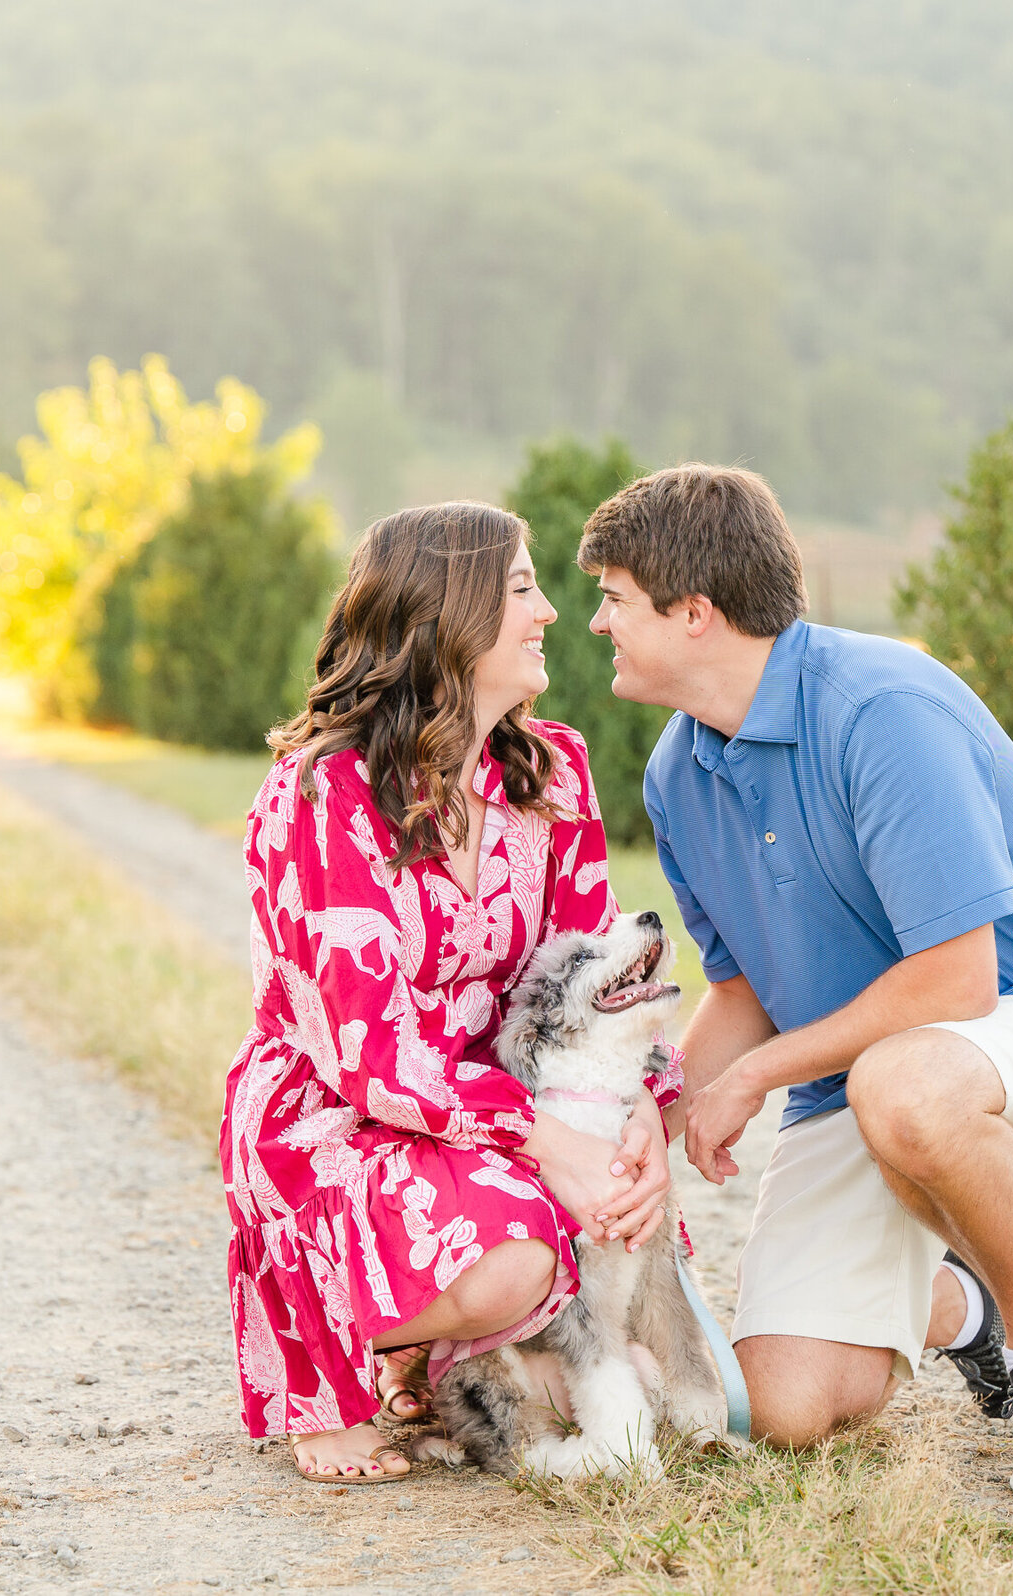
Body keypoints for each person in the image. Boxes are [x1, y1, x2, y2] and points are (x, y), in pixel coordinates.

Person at [578, 465, 1013, 1503]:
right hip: (861, 1072)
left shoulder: (881, 707)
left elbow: (957, 978)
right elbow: (743, 992)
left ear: (695, 613)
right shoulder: (677, 773)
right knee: (784, 1407)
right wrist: (651, 1115)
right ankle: (959, 1310)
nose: (597, 622)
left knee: (904, 1093)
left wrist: (755, 1076)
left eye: (615, 598)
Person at [222, 501, 680, 1483]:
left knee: (627, 1303)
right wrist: (554, 1143)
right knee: (520, 1255)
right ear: (451, 615)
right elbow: (368, 1058)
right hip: (340, 1112)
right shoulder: (327, 793)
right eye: (522, 588)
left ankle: (450, 1365)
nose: (553, 611)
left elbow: (590, 978)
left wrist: (640, 1109)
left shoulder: (552, 769)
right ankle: (336, 1350)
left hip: (496, 1099)